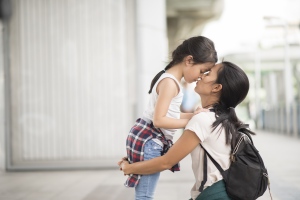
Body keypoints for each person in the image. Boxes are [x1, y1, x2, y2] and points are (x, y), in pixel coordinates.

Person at [119, 61, 255, 200]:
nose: (201, 76)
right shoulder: (220, 119)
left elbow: (166, 161)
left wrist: (129, 168)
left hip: (215, 195)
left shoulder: (203, 120)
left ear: (216, 87)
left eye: (208, 73)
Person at [125, 36, 218, 200]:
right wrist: (192, 121)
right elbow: (159, 120)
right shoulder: (170, 83)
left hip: (146, 137)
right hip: (150, 140)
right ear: (189, 60)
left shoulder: (170, 80)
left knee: (144, 194)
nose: (201, 76)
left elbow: (170, 115)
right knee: (145, 196)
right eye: (202, 70)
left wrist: (193, 115)